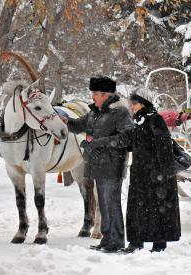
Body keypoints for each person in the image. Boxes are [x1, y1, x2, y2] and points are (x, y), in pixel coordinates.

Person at [63, 76, 133, 253]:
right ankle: (107, 239)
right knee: (103, 204)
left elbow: (127, 138)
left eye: (95, 93)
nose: (92, 96)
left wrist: (99, 143)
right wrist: (65, 121)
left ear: (105, 94)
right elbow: (79, 125)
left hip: (113, 164)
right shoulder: (95, 112)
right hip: (97, 164)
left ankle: (116, 242)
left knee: (112, 204)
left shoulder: (120, 112)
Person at [121, 87, 181, 254]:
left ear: (143, 103)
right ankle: (136, 242)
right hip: (140, 172)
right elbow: (136, 144)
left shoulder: (155, 120)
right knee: (137, 208)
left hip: (156, 174)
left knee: (157, 208)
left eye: (134, 103)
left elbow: (164, 148)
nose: (132, 106)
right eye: (131, 103)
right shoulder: (138, 121)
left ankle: (159, 245)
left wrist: (162, 174)